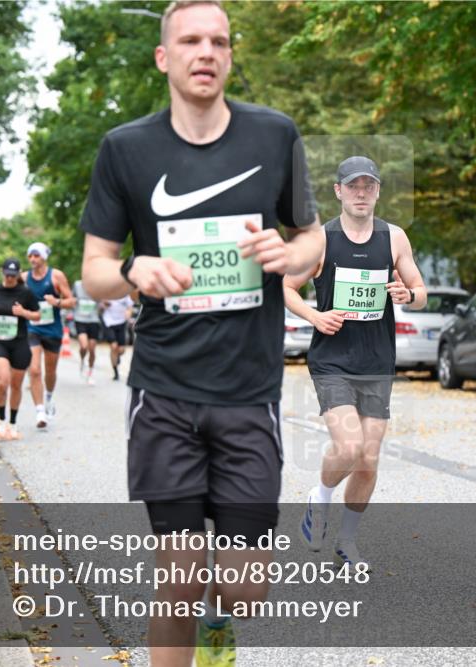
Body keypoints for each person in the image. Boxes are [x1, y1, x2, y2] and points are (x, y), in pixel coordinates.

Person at [78, 2, 323, 664]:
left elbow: (313, 241)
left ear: (230, 56)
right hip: (165, 392)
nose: (205, 51)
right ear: (165, 57)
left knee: (245, 589)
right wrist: (136, 268)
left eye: (218, 41)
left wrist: (288, 257)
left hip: (248, 393)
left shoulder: (275, 136)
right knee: (178, 575)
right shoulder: (125, 149)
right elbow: (95, 271)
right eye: (190, 40)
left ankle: (222, 613)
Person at [284, 156, 427, 570]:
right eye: (353, 186)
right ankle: (320, 497)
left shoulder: (394, 238)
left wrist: (408, 296)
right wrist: (315, 316)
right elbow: (287, 288)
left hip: (377, 360)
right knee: (349, 447)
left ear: (378, 191)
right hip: (332, 360)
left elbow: (419, 290)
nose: (361, 192)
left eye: (369, 185)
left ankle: (346, 543)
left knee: (368, 459)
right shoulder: (321, 239)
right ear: (339, 191)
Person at [0, 258, 41, 441]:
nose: (9, 279)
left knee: (16, 385)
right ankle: (1, 420)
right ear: (2, 272)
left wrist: (24, 313)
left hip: (19, 343)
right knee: (3, 382)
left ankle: (13, 424)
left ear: (18, 274)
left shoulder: (26, 293)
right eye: (7, 275)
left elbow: (38, 315)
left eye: (13, 275)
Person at [23, 242, 75, 429]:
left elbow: (72, 301)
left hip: (52, 329)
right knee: (35, 369)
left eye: (36, 255)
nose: (32, 259)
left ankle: (49, 397)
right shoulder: (24, 278)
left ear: (44, 257)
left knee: (50, 371)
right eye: (30, 256)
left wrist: (57, 302)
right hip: (32, 328)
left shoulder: (56, 276)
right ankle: (39, 411)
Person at [72, 279, 101, 385]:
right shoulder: (77, 284)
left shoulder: (98, 285)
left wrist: (103, 304)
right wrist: (73, 302)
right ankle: (82, 361)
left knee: (92, 349)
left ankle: (90, 372)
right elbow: (72, 298)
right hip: (80, 319)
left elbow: (101, 301)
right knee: (84, 346)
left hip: (93, 320)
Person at [100, 294, 133, 381]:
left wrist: (128, 313)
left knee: (121, 350)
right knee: (114, 347)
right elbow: (100, 306)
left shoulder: (126, 294)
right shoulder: (109, 291)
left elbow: (130, 307)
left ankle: (117, 356)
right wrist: (104, 304)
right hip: (109, 322)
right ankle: (115, 372)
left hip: (121, 322)